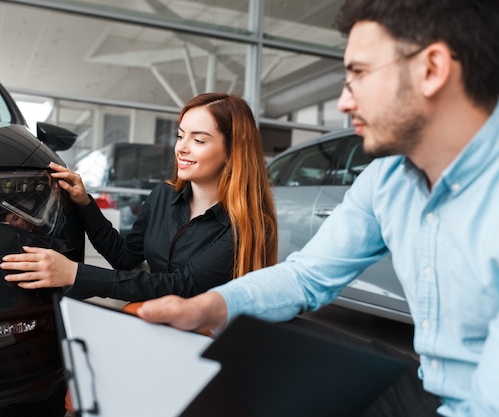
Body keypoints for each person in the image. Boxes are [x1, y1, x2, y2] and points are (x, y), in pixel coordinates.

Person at [137, 1, 499, 416]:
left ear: (431, 69)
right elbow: (306, 278)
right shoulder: (388, 180)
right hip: (429, 385)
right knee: (257, 342)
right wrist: (204, 307)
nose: (344, 101)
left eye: (359, 74)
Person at [0, 93, 278, 301]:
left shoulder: (248, 224)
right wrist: (84, 202)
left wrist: (75, 273)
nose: (181, 148)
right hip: (154, 322)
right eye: (181, 136)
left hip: (205, 337)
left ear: (232, 153)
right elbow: (124, 258)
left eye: (199, 140)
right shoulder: (163, 196)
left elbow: (179, 286)